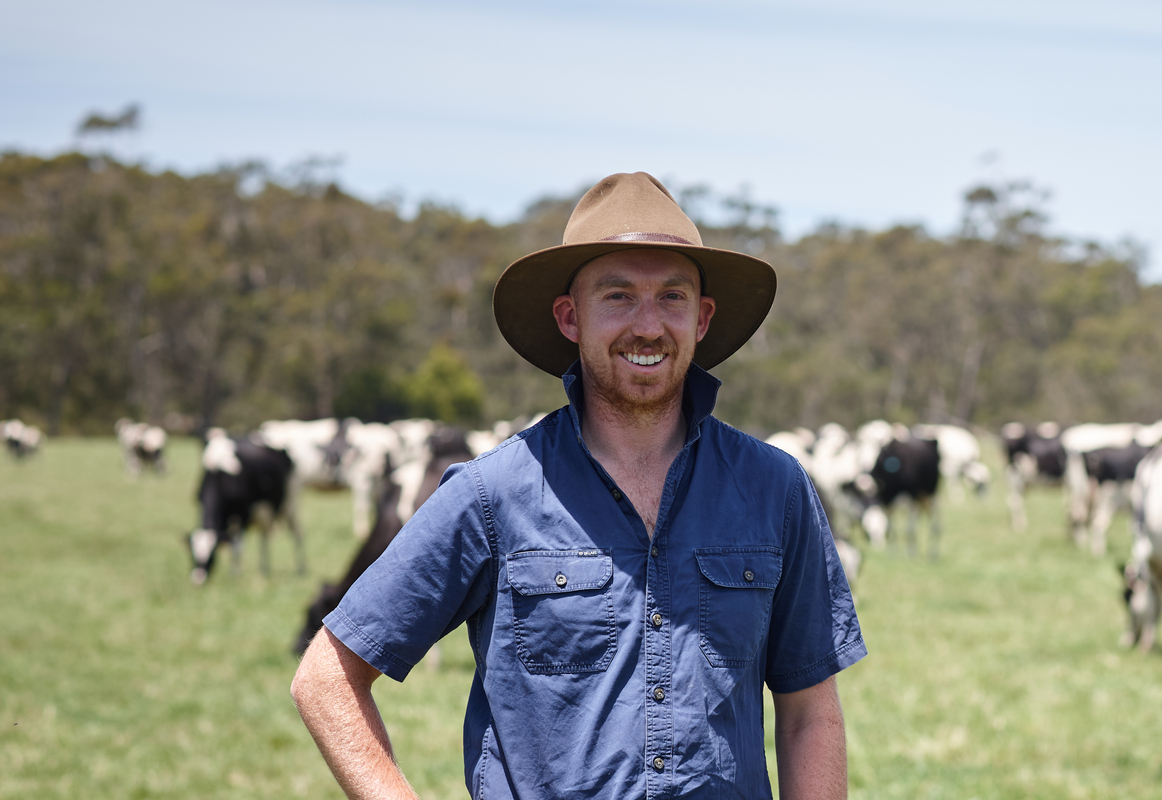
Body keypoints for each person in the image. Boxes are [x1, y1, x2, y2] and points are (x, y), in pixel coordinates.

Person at [291, 172, 864, 799]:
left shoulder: (774, 487)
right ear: (571, 318)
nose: (648, 326)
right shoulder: (493, 493)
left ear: (702, 319)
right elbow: (327, 678)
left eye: (672, 297)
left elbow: (810, 713)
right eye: (617, 296)